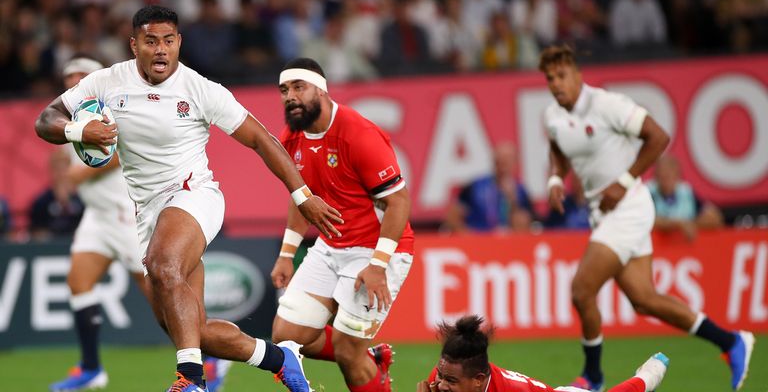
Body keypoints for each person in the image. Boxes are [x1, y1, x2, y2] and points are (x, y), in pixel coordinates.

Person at [35, 5, 343, 392]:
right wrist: (78, 130)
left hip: (193, 195)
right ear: (134, 45)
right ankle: (281, 359)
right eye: (151, 41)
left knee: (163, 264)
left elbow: (261, 139)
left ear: (179, 42)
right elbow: (46, 119)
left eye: (168, 40)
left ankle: (190, 381)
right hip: (148, 212)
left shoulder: (200, 89)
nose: (161, 50)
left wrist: (303, 195)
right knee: (192, 331)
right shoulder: (107, 82)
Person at [540, 44, 753, 392]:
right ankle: (730, 341)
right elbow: (559, 148)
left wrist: (623, 183)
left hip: (628, 208)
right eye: (550, 78)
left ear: (578, 74)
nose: (556, 84)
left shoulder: (608, 105)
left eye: (562, 76)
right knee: (644, 299)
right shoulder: (552, 116)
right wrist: (554, 178)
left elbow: (658, 137)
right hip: (604, 213)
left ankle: (592, 377)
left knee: (581, 290)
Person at [49, 56, 232, 392]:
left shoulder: (112, 105)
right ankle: (91, 368)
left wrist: (75, 173)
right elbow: (60, 159)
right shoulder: (74, 115)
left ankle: (208, 355)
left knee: (162, 300)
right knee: (78, 280)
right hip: (97, 216)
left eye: (81, 74)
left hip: (126, 213)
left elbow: (116, 152)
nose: (73, 80)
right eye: (69, 76)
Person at [270, 57, 414, 392]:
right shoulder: (291, 137)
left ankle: (362, 358)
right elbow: (301, 198)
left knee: (350, 354)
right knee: (286, 337)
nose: (289, 96)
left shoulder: (357, 133)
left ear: (321, 90)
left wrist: (378, 266)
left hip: (376, 249)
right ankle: (370, 358)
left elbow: (399, 201)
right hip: (331, 246)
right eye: (283, 90)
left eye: (298, 87)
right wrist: (286, 253)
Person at [417, 315, 669, 392]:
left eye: (450, 381)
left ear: (479, 379)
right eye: (441, 376)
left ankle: (650, 374)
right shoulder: (439, 380)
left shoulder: (513, 390)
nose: (441, 384)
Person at [444, 142, 534, 233]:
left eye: (507, 160)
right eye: (500, 160)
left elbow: (525, 225)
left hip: (508, 241)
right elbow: (453, 216)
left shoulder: (520, 191)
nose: (503, 164)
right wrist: (468, 236)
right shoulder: (476, 187)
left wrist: (513, 201)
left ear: (515, 163)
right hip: (480, 240)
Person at [648, 154, 724, 240]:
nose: (666, 180)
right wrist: (678, 224)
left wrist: (690, 224)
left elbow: (715, 218)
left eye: (669, 175)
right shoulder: (648, 193)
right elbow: (647, 221)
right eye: (662, 176)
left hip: (685, 248)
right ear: (656, 176)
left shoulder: (686, 192)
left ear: (678, 176)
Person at [28, 147, 84, 241]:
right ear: (52, 171)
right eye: (58, 169)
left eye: (65, 168)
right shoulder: (41, 202)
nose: (61, 174)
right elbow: (36, 231)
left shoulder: (81, 200)